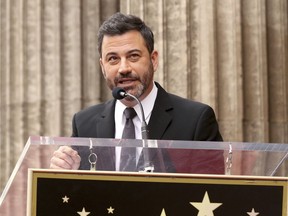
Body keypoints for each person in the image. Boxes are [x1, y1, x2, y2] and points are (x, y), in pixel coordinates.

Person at [50, 12, 224, 174]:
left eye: (133, 56)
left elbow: (212, 193)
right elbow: (76, 196)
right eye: (113, 59)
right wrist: (64, 171)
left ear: (153, 60)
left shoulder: (195, 120)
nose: (124, 68)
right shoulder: (84, 124)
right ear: (103, 67)